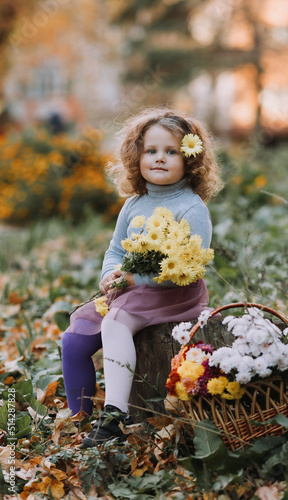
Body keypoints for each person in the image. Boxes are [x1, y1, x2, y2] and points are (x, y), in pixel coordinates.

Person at [61, 108, 223, 448]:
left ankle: (115, 417)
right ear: (137, 156)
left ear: (190, 159)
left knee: (115, 322)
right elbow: (115, 251)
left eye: (171, 151)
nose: (159, 158)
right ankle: (80, 419)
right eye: (151, 151)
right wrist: (110, 275)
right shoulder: (135, 203)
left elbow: (188, 269)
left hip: (173, 292)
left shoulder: (191, 208)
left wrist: (139, 280)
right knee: (75, 339)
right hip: (131, 289)